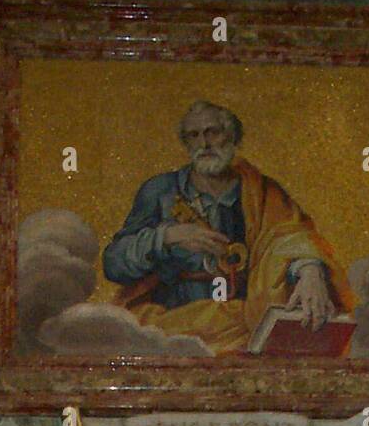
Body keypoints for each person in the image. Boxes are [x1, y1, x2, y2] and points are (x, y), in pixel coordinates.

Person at [103, 100, 355, 353]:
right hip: (175, 324)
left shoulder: (261, 192)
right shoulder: (160, 191)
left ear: (233, 137)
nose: (204, 143)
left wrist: (310, 269)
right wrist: (167, 237)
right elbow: (114, 263)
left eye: (213, 132)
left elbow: (290, 235)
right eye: (194, 135)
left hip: (247, 324)